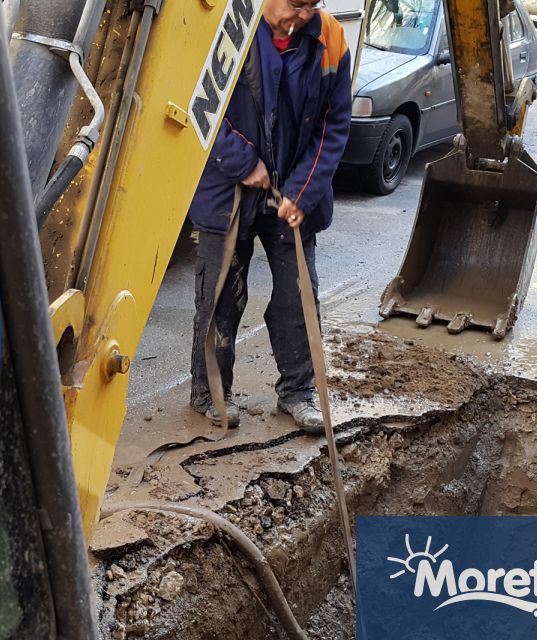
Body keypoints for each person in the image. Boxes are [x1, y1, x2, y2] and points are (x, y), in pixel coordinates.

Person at [187, 0, 352, 433]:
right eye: (296, 4)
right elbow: (199, 106)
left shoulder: (331, 39)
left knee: (299, 296)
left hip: (291, 191)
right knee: (220, 297)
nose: (303, 16)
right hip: (228, 189)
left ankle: (297, 392)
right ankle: (210, 393)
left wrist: (301, 192)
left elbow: (332, 128)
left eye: (311, 5)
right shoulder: (225, 26)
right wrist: (243, 162)